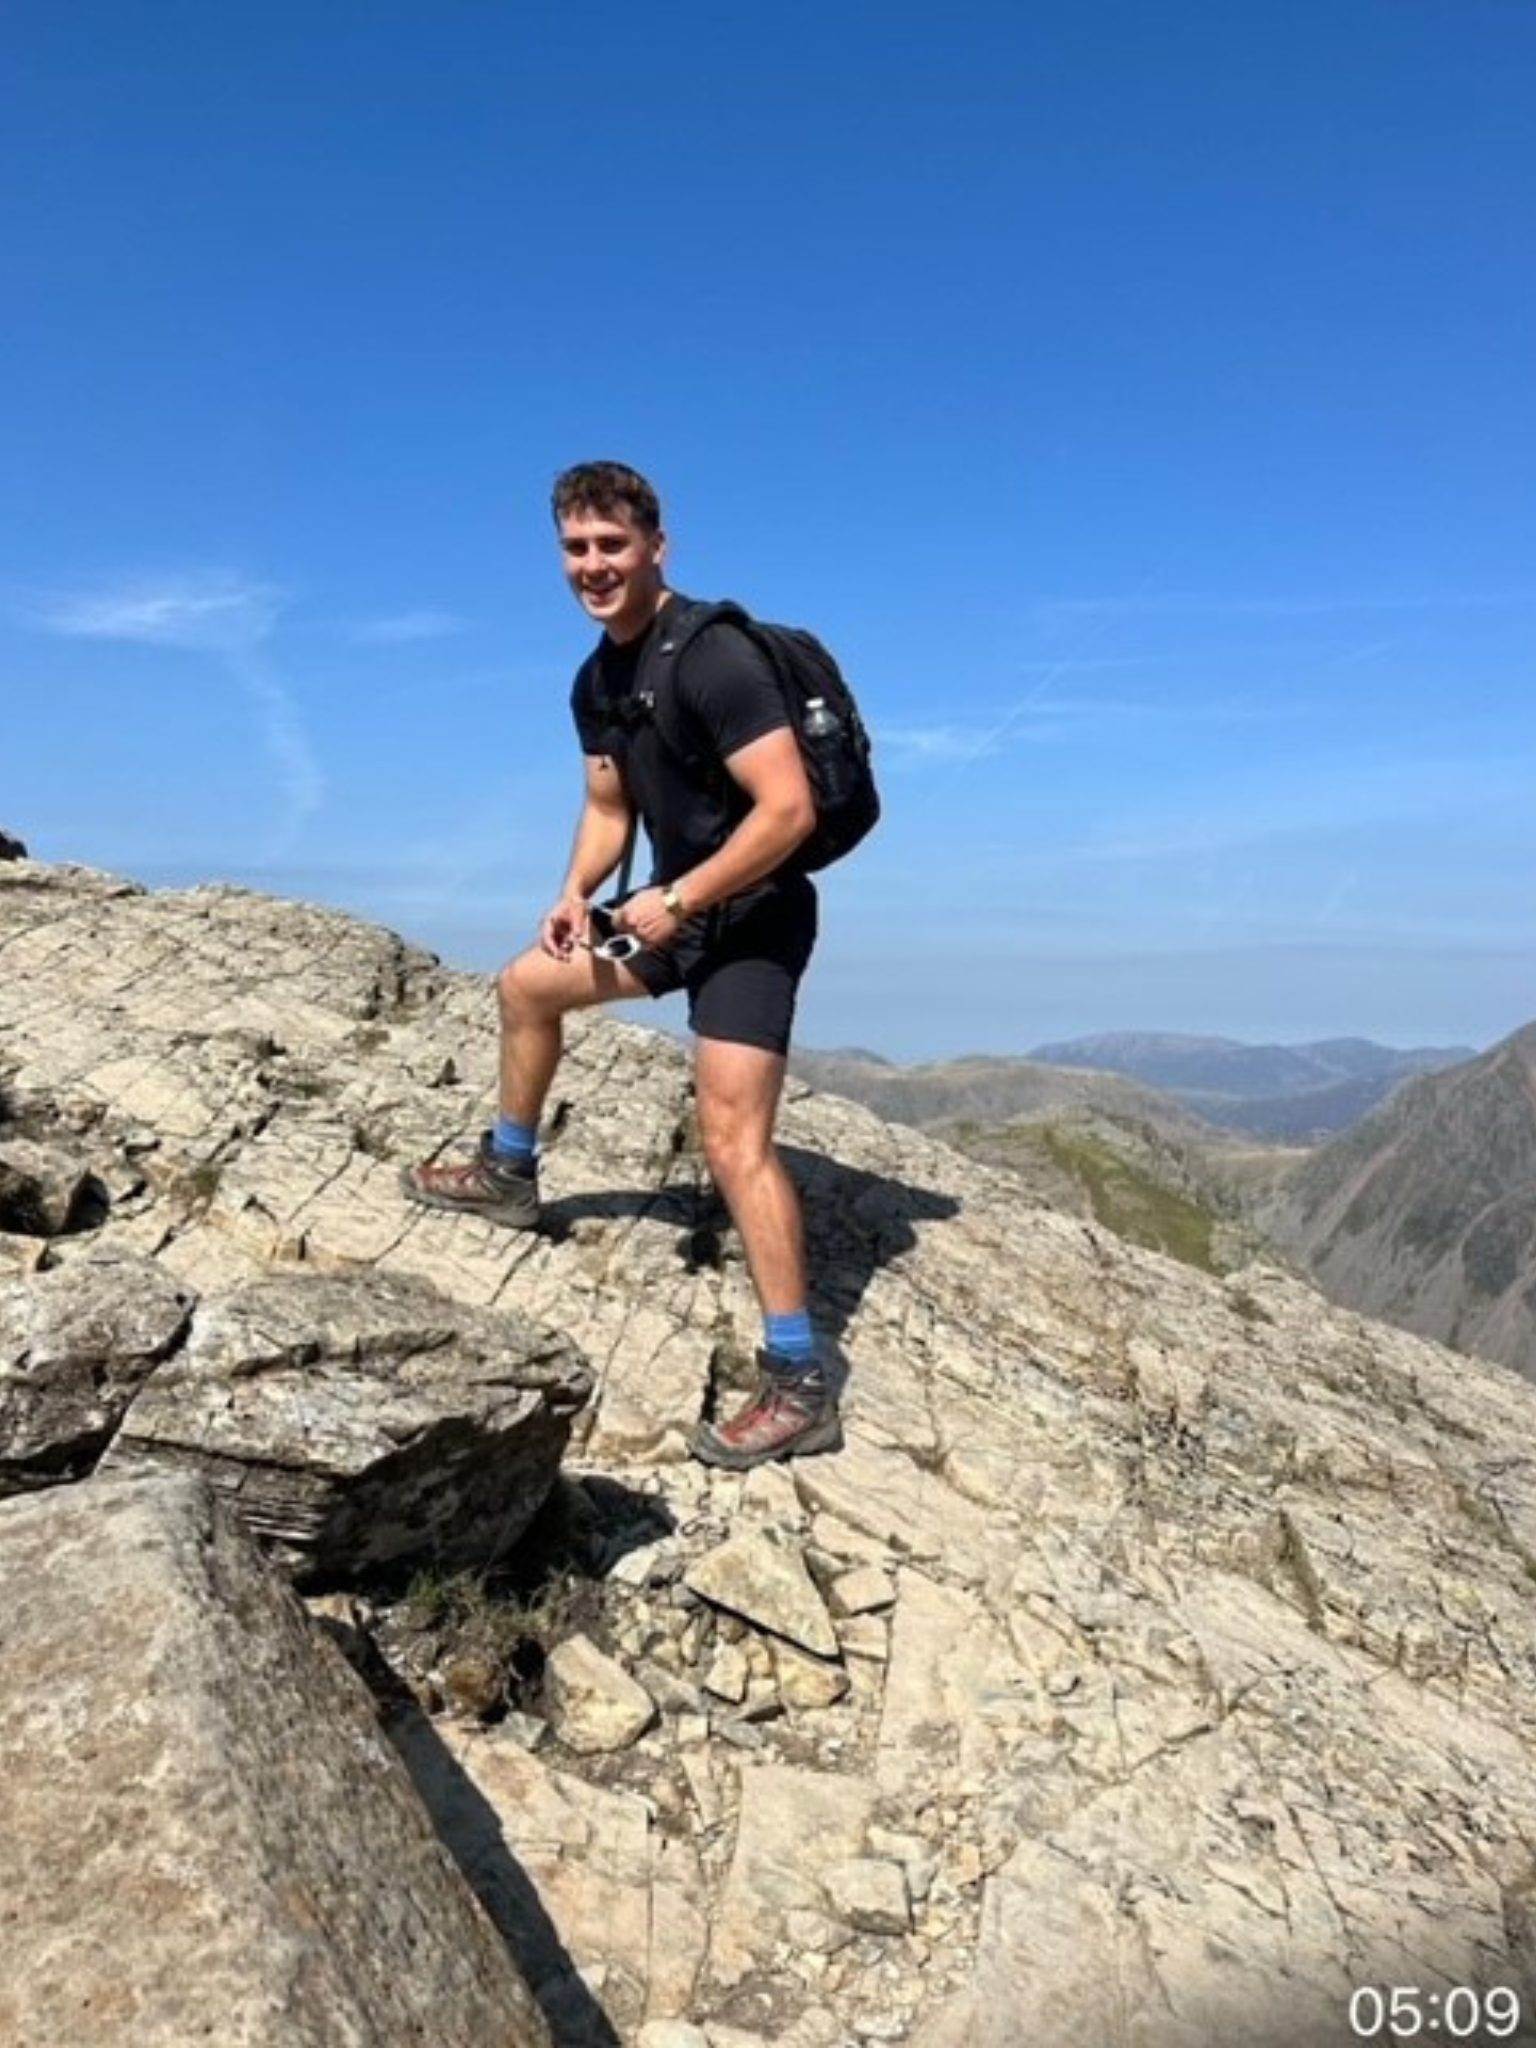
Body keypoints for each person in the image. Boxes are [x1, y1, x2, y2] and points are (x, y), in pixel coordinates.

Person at [402, 460, 841, 1470]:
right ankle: (509, 1170)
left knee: (733, 1138)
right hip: (669, 911)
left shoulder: (715, 659)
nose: (593, 566)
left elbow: (788, 812)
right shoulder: (598, 679)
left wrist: (679, 896)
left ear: (655, 548)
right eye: (576, 548)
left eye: (612, 545)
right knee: (525, 985)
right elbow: (610, 809)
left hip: (753, 915)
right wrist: (571, 892)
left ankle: (800, 1380)